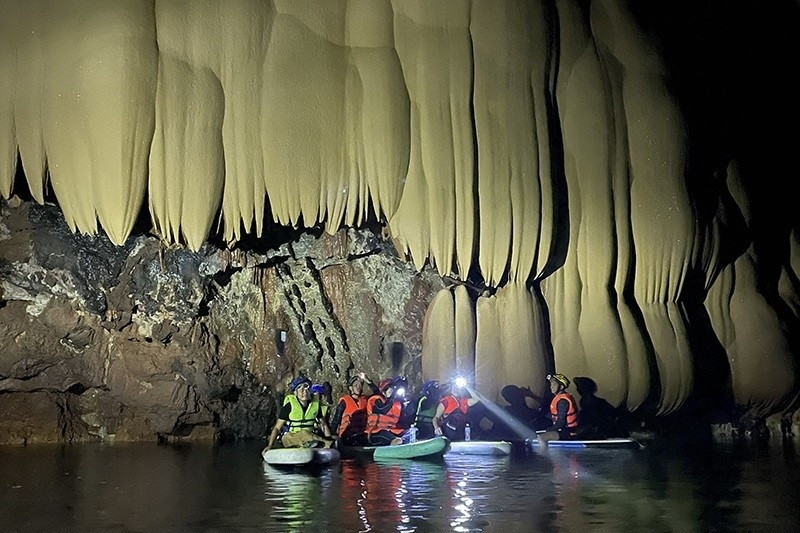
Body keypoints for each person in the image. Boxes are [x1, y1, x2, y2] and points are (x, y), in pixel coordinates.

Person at [265, 376, 334, 451]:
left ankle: (323, 444)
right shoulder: (289, 406)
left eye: (306, 387)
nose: (303, 391)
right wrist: (270, 445)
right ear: (295, 393)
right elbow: (277, 428)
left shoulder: (314, 406)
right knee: (304, 434)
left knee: (308, 434)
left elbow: (323, 425)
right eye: (299, 388)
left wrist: (329, 437)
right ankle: (324, 443)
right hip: (291, 438)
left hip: (310, 436)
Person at [329, 373, 378, 446]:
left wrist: (367, 380)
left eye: (360, 385)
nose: (359, 387)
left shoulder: (365, 400)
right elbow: (336, 420)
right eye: (356, 385)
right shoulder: (344, 401)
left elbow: (377, 393)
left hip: (362, 434)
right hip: (347, 436)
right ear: (350, 388)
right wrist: (331, 436)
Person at [537, 373, 579, 449]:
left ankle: (544, 458)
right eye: (550, 384)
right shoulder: (559, 398)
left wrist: (549, 430)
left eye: (554, 384)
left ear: (561, 387)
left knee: (541, 437)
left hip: (568, 432)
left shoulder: (562, 401)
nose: (551, 387)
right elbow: (554, 415)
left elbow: (561, 422)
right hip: (564, 430)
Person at [365, 378, 407, 446]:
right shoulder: (377, 401)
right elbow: (382, 410)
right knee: (393, 438)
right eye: (390, 392)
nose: (393, 393)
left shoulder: (395, 403)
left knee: (411, 432)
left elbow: (404, 419)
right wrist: (392, 397)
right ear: (384, 393)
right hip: (375, 432)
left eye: (393, 390)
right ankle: (394, 449)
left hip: (390, 431)